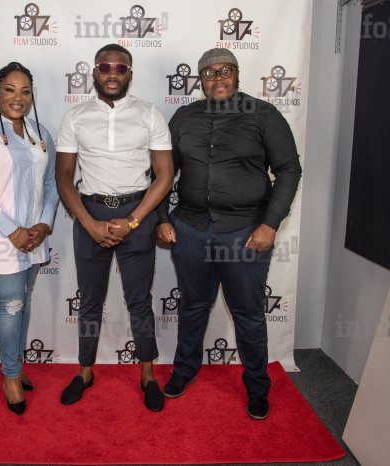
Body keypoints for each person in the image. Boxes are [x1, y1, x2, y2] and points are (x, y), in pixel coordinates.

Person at [157, 48, 302, 420]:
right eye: (209, 73)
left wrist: (270, 223)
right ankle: (184, 370)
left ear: (237, 74)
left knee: (248, 313)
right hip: (190, 229)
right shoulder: (184, 117)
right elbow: (162, 173)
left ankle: (257, 386)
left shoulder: (264, 114)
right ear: (200, 80)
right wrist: (161, 218)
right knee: (192, 306)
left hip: (245, 232)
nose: (217, 78)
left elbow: (289, 169)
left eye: (225, 70)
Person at [56, 44, 174, 412]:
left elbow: (165, 175)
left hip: (137, 213)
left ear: (129, 74)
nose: (112, 73)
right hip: (89, 213)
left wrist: (134, 221)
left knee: (139, 301)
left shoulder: (149, 114)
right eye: (105, 66)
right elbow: (63, 177)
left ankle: (148, 373)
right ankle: (85, 370)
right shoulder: (75, 116)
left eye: (120, 68)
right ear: (94, 71)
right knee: (90, 301)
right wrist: (89, 223)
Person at [0, 62, 58, 416]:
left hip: (33, 237)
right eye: (9, 90)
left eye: (25, 91)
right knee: (11, 304)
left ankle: (16, 363)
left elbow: (51, 185)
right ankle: (10, 376)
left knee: (24, 300)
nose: (18, 97)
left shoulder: (40, 132)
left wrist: (44, 224)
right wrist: (11, 229)